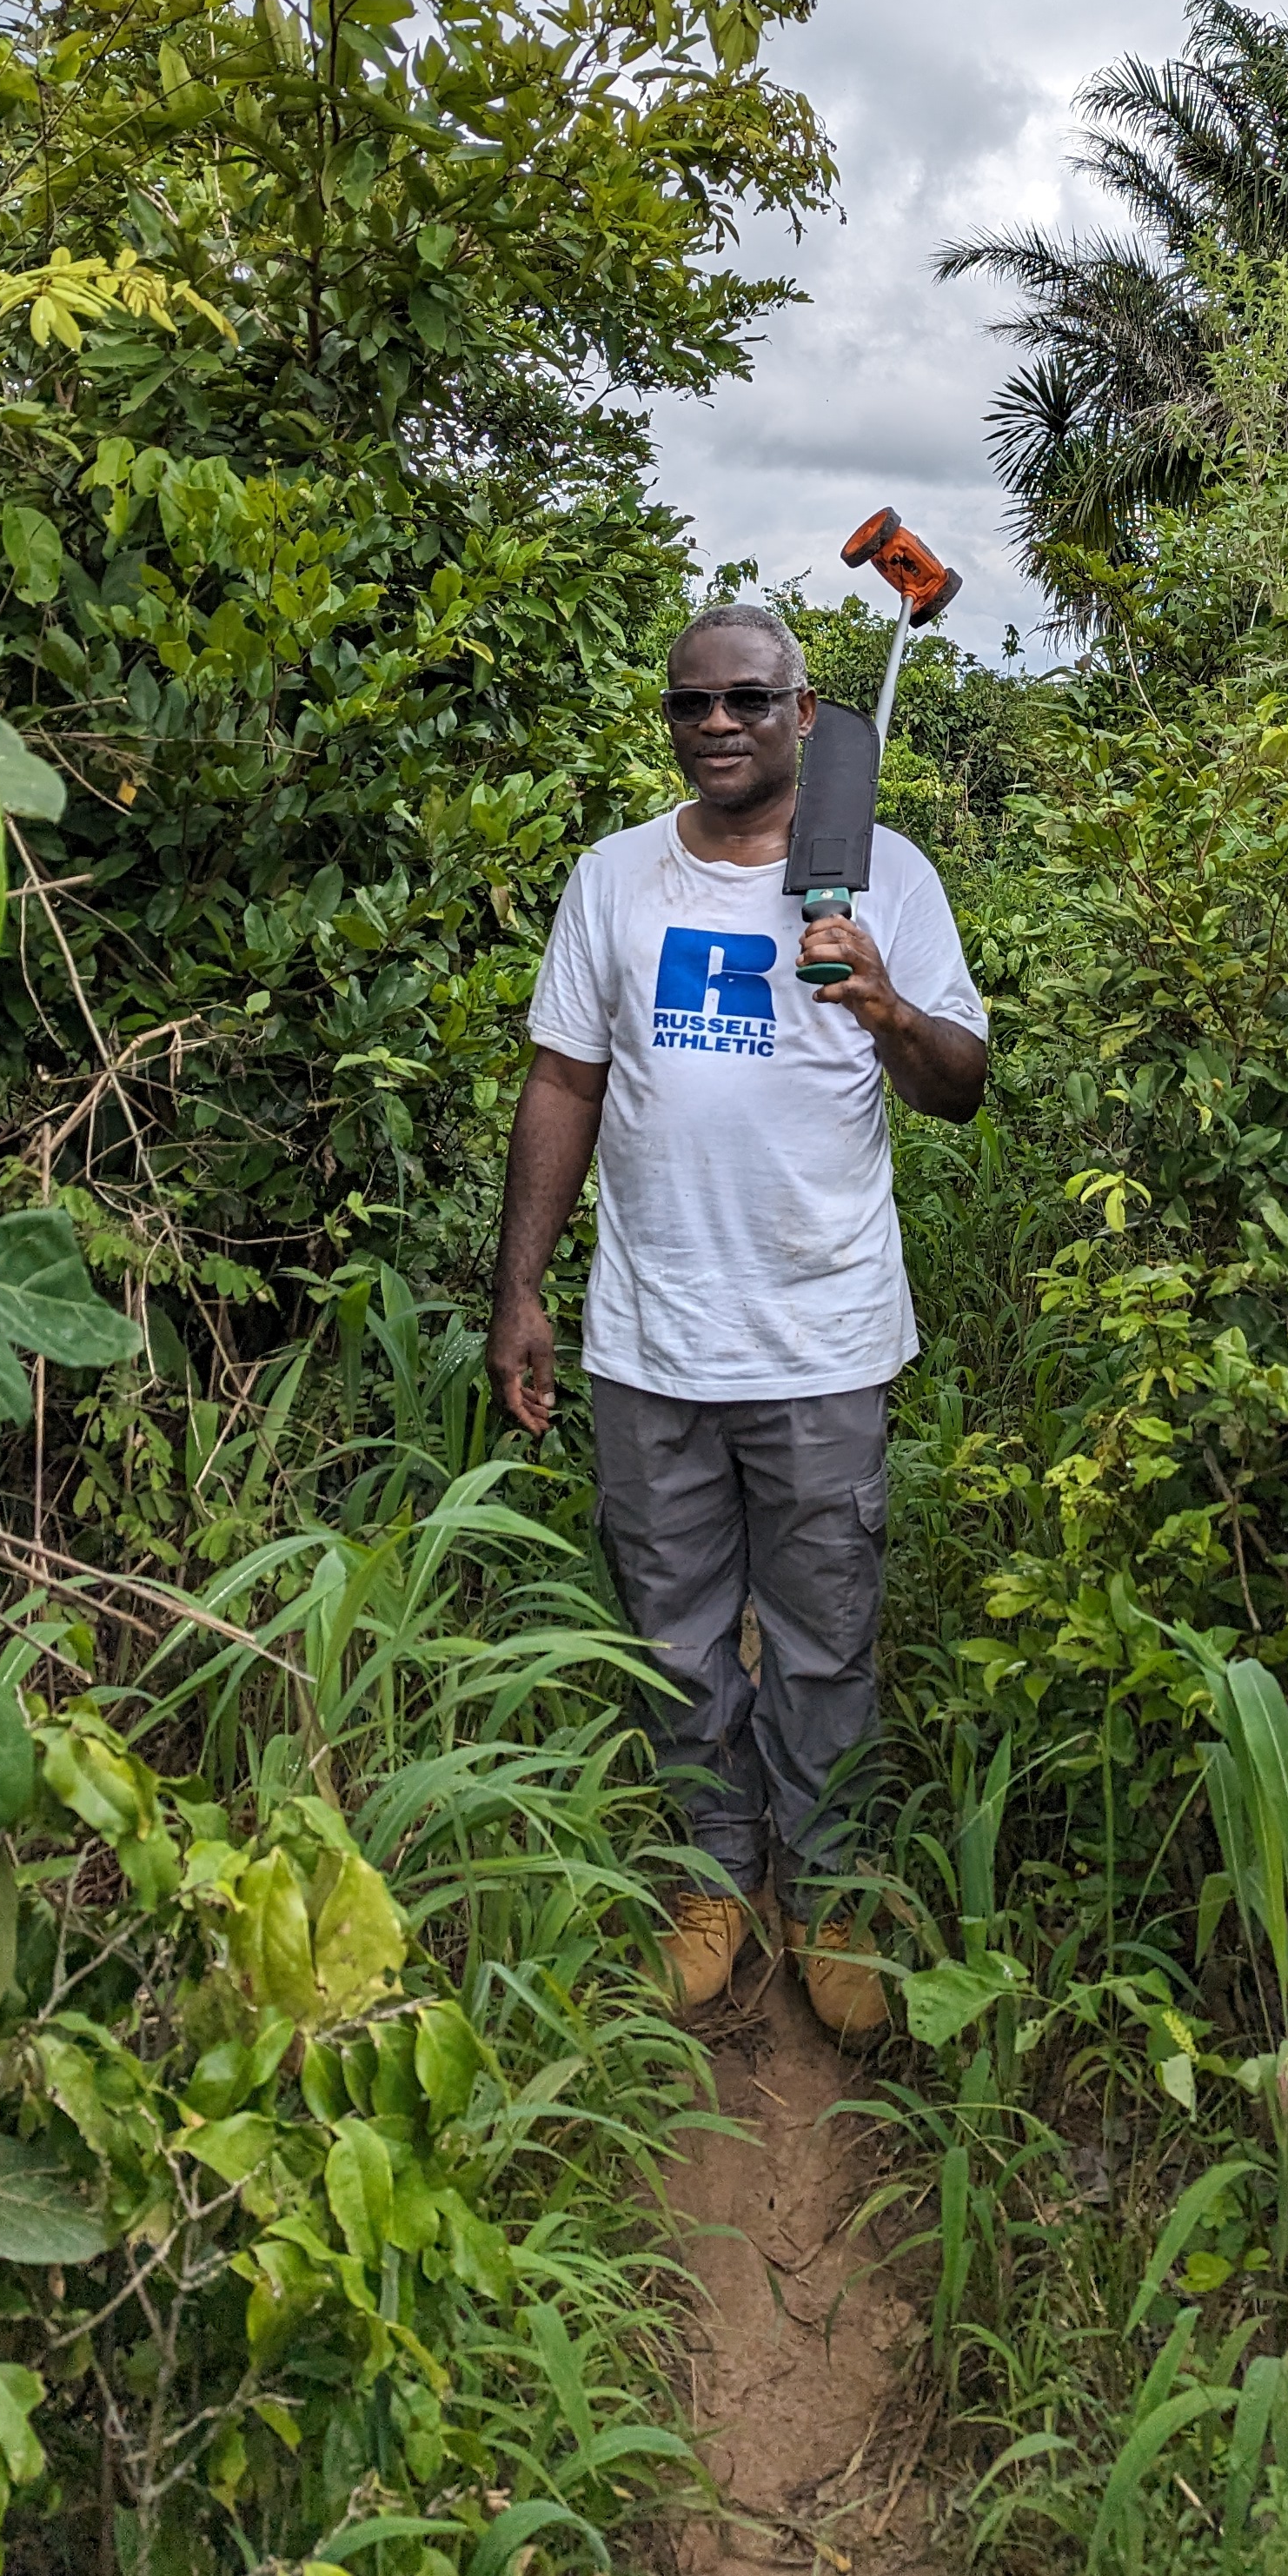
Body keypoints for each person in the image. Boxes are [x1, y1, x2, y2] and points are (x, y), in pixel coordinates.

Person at [488, 601, 989, 2040]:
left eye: (747, 702)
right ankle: (713, 1878)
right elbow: (565, 1080)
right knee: (677, 1628)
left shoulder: (882, 875)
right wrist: (522, 1288)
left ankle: (828, 1889)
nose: (717, 726)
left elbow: (960, 1084)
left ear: (806, 715)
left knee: (826, 1630)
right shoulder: (616, 878)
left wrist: (888, 1008)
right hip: (652, 1328)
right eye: (691, 705)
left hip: (824, 1327)